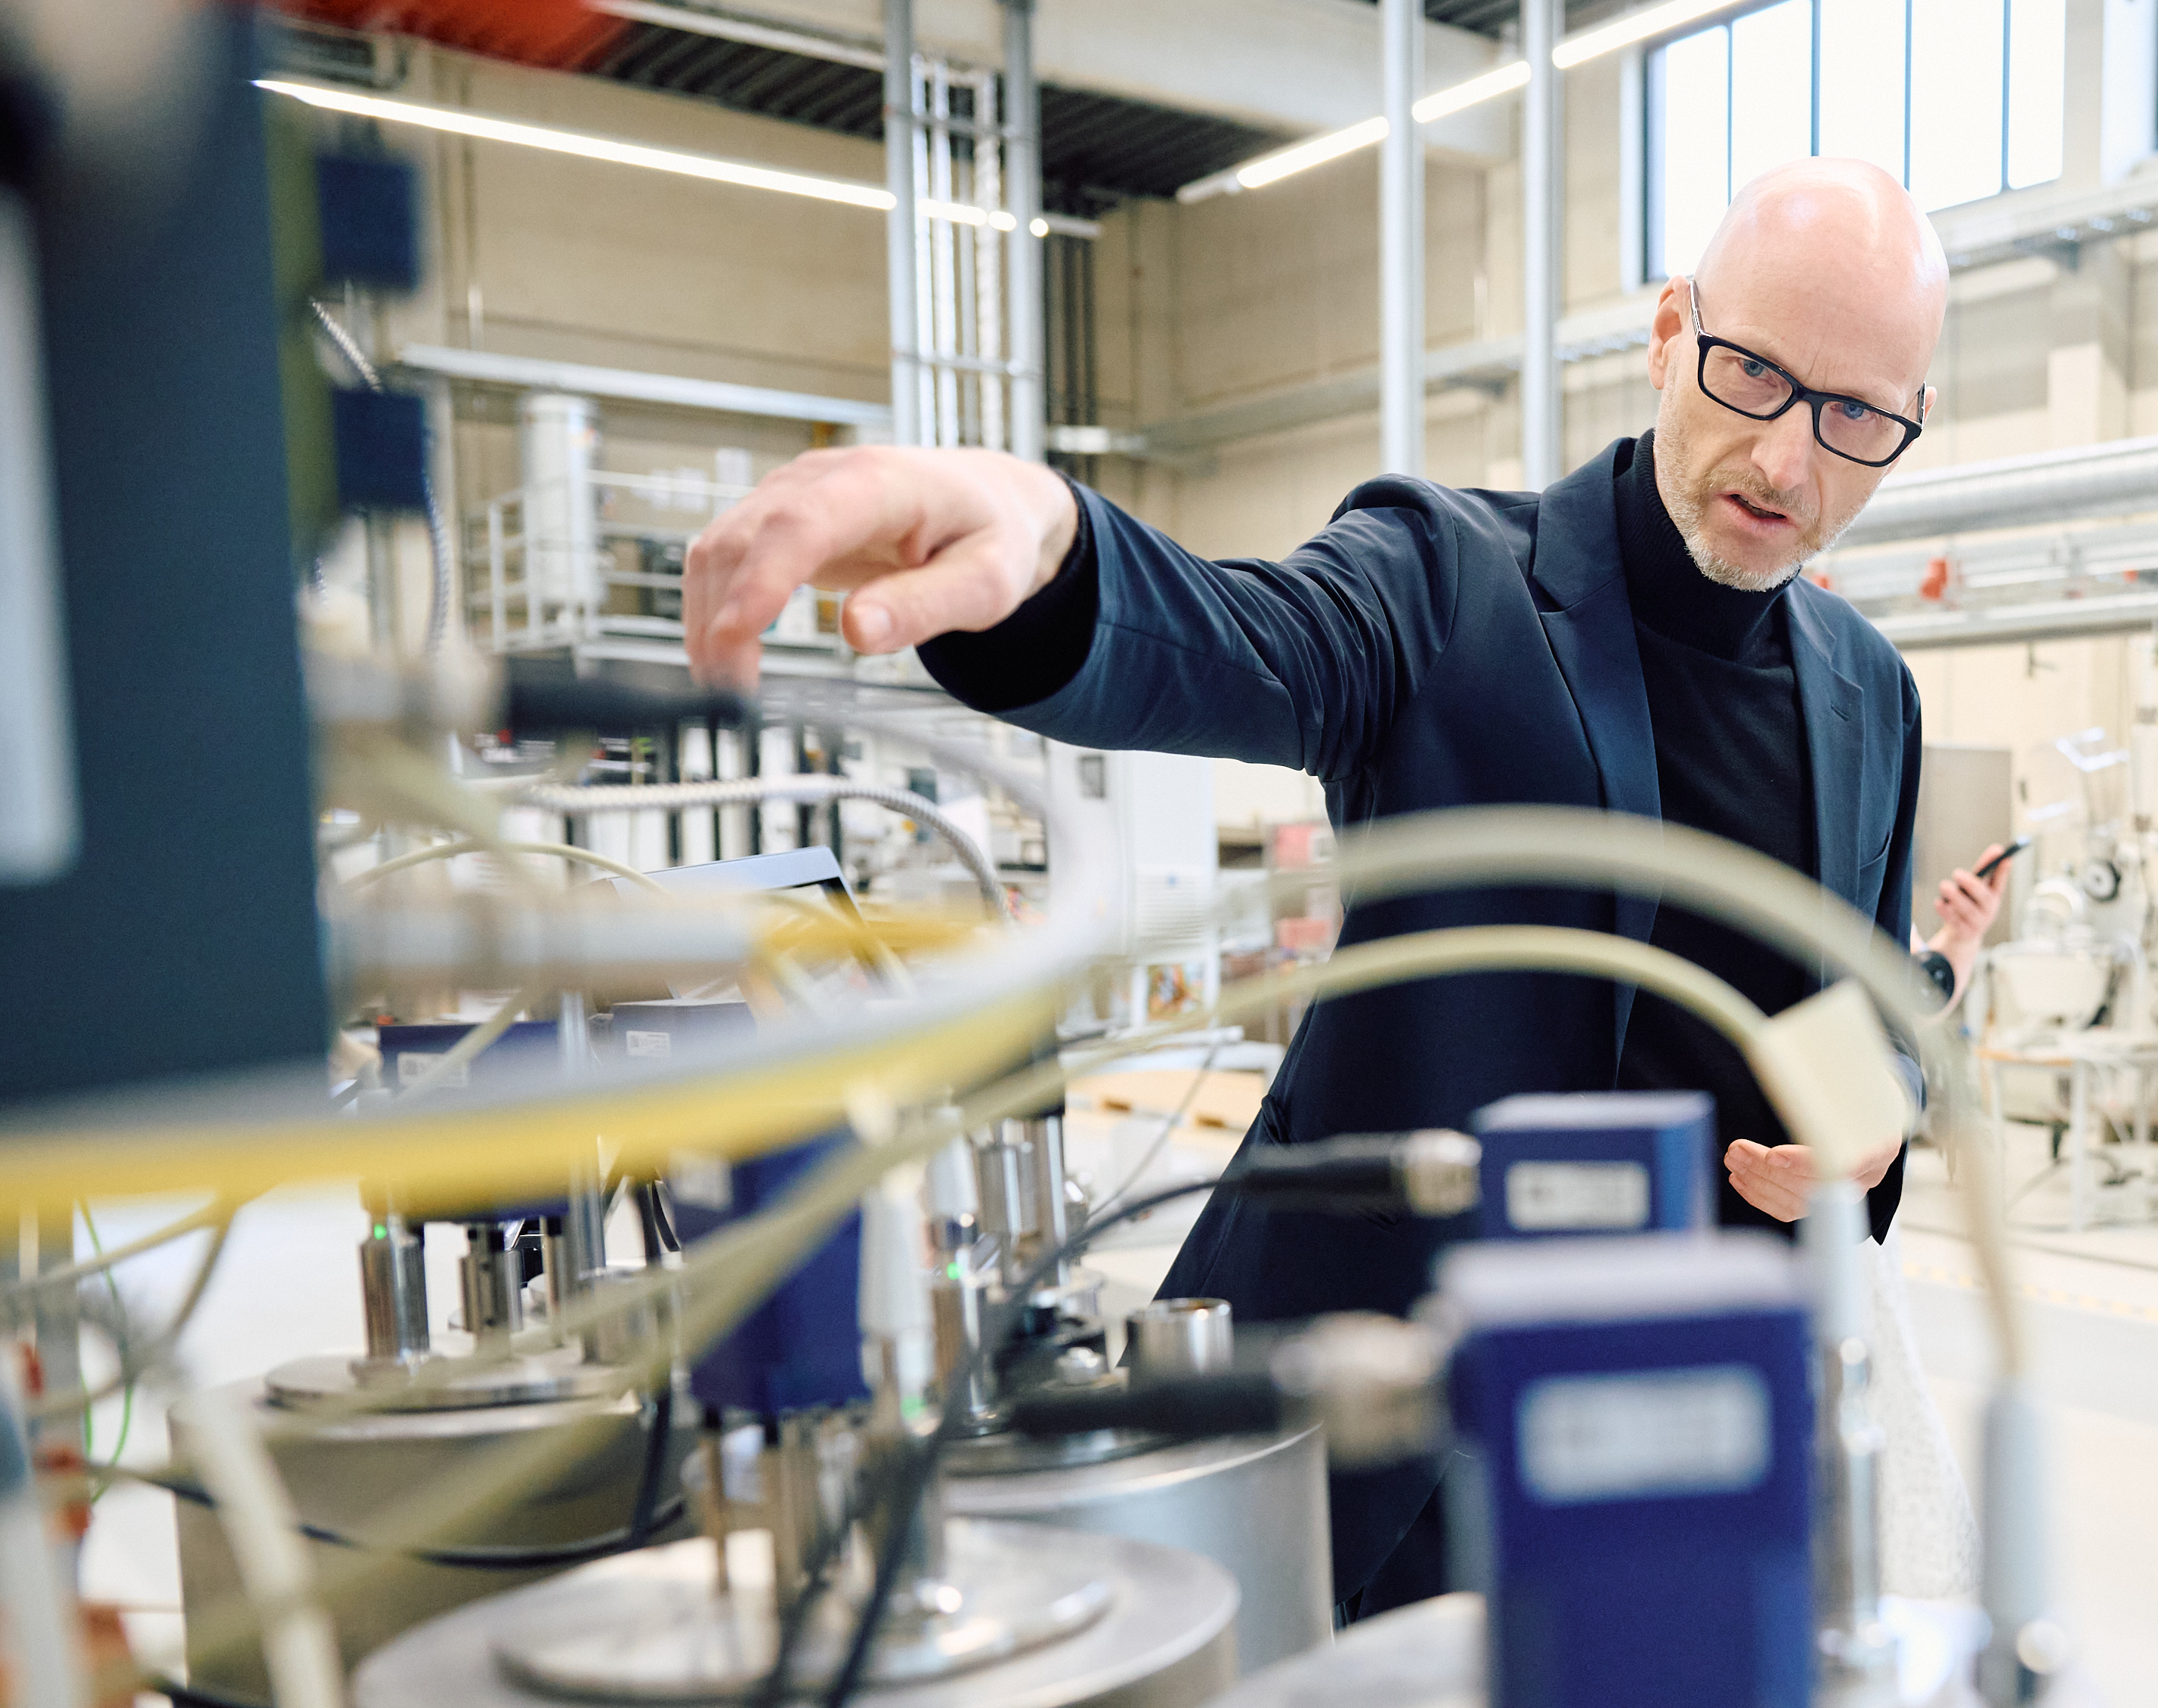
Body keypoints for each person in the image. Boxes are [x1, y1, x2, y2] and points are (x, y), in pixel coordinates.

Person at [681, 159, 1950, 1615]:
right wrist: (1052, 553)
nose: (1787, 461)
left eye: (1855, 418)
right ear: (1670, 335)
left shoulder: (1870, 694)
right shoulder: (1447, 580)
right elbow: (1240, 639)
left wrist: (1868, 1125)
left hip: (1678, 1436)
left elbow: (1855, 1002)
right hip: (1392, 1423)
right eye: (1752, 376)